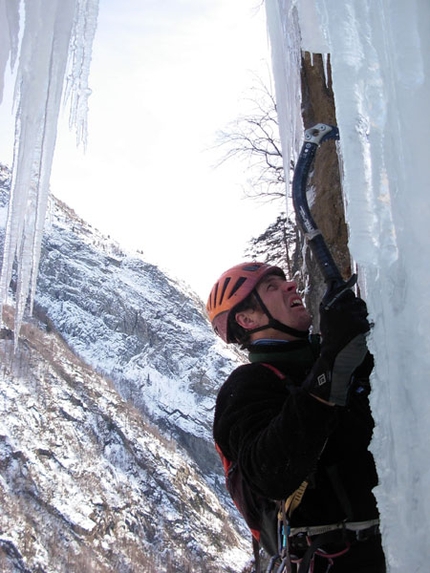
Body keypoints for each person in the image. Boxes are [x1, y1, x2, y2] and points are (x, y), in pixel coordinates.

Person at [206, 262, 386, 573]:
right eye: (271, 288)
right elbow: (269, 472)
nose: (289, 286)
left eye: (284, 280)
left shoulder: (333, 357)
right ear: (247, 319)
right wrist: (330, 365)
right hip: (333, 559)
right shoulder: (246, 387)